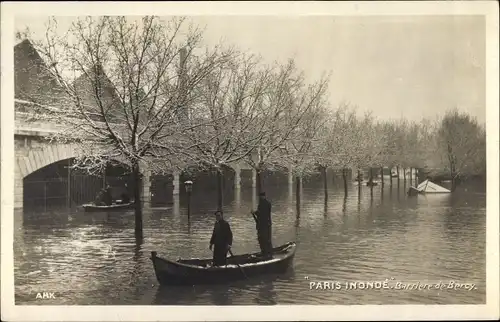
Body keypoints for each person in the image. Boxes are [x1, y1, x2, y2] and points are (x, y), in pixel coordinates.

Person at [252, 192, 273, 258]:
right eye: (260, 196)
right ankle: (265, 252)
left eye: (261, 196)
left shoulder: (265, 204)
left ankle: (267, 253)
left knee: (265, 239)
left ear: (264, 196)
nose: (260, 198)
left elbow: (262, 214)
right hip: (262, 225)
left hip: (264, 225)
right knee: (262, 239)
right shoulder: (262, 204)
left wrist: (254, 212)